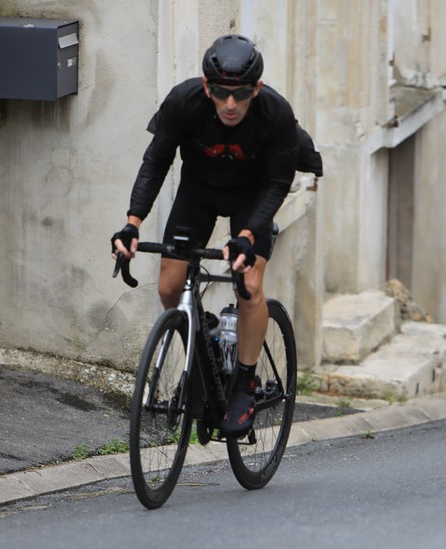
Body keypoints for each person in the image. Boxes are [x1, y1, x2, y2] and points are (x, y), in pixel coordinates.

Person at [112, 34, 315, 437]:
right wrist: (132, 224)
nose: (230, 103)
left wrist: (246, 236)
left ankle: (244, 384)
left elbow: (277, 184)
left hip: (253, 195)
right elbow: (155, 162)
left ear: (256, 88)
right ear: (207, 87)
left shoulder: (275, 113)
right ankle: (203, 339)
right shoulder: (183, 103)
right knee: (169, 287)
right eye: (221, 92)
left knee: (248, 286)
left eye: (241, 94)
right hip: (199, 191)